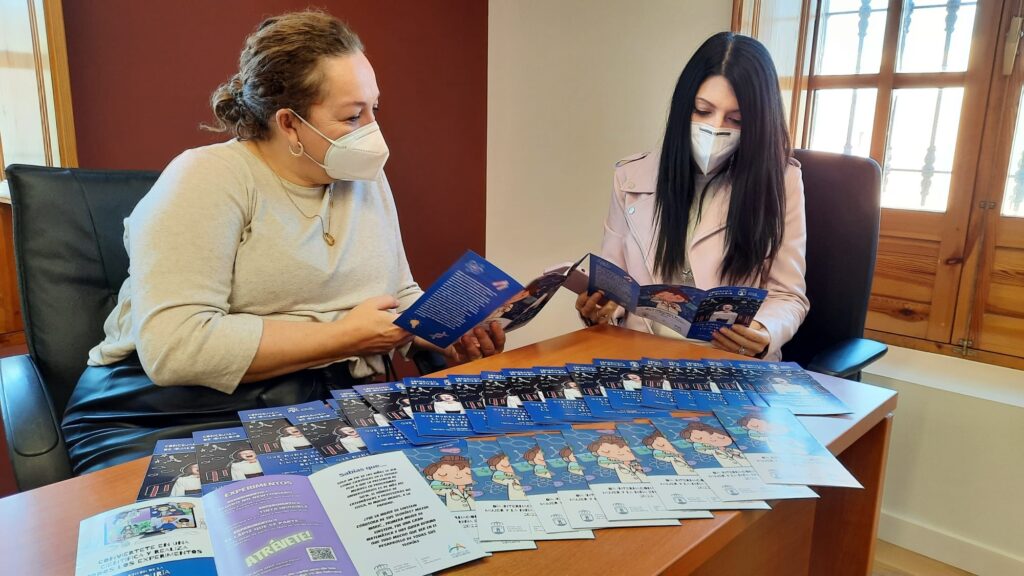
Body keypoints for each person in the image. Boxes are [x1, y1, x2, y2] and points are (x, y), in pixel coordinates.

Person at [61, 11, 505, 475]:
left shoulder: (363, 175)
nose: (373, 131)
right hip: (169, 414)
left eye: (375, 109)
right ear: (290, 123)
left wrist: (442, 334)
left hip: (314, 407)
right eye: (353, 116)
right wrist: (344, 337)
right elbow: (176, 348)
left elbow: (395, 291)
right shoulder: (207, 178)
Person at [575, 32, 808, 361]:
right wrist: (599, 310)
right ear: (684, 106)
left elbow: (788, 295)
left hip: (727, 361)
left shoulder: (782, 182)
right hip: (640, 359)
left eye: (736, 119)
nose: (715, 128)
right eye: (702, 110)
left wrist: (763, 331)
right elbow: (614, 286)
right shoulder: (631, 177)